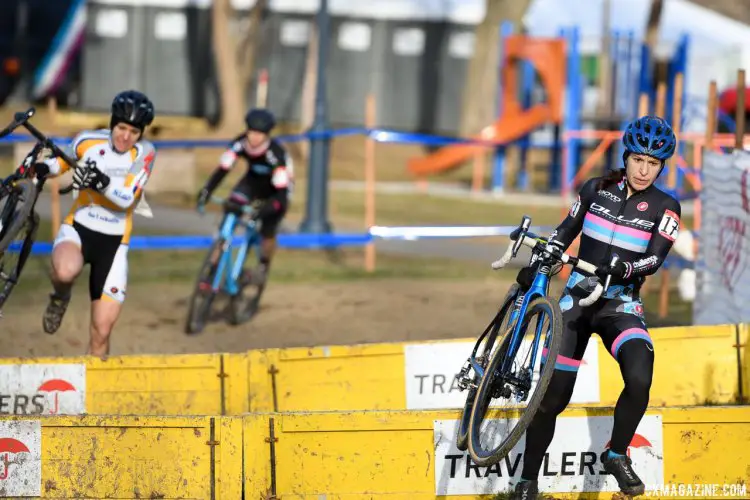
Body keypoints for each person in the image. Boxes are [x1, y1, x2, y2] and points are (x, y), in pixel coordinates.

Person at [511, 116, 681, 499]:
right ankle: (526, 483)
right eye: (639, 160)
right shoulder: (594, 189)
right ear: (627, 156)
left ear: (662, 166)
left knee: (640, 376)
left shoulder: (666, 207)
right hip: (575, 301)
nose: (644, 169)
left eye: (653, 164)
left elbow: (655, 258)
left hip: (620, 305)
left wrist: (626, 267)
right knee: (552, 397)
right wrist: (544, 256)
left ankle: (617, 454)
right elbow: (564, 231)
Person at [38, 90, 157, 359]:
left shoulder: (145, 153)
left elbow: (127, 199)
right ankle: (60, 297)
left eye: (134, 132)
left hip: (114, 244)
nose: (126, 137)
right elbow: (62, 162)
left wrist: (100, 182)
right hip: (79, 229)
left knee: (101, 333)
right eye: (122, 128)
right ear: (112, 123)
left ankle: (92, 397)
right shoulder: (88, 140)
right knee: (66, 271)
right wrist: (44, 167)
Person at [195, 107, 292, 287]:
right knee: (229, 214)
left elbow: (282, 197)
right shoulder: (239, 143)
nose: (254, 137)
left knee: (268, 229)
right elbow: (222, 170)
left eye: (260, 134)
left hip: (276, 191)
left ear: (267, 135)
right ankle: (212, 268)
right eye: (251, 132)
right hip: (252, 182)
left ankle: (264, 264)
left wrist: (266, 210)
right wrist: (207, 190)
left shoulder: (276, 155)